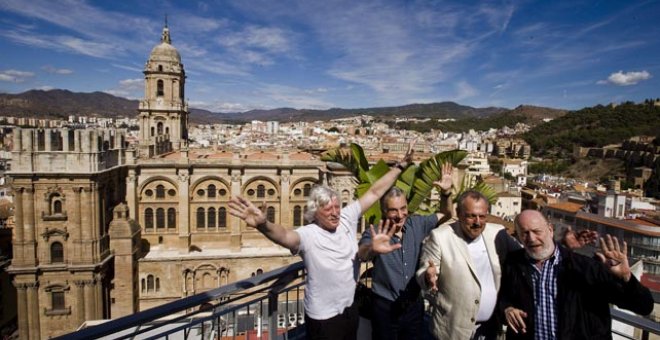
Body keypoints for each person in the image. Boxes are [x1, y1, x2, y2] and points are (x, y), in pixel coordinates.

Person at [228, 146, 414, 340]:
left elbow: (375, 192)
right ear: (314, 213)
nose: (334, 212)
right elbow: (284, 236)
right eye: (327, 209)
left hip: (349, 308)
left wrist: (401, 166)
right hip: (323, 318)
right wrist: (263, 225)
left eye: (336, 206)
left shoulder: (347, 217)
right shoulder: (308, 236)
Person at [498, 209, 654, 340]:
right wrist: (507, 309)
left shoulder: (586, 267)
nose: (531, 239)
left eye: (536, 231)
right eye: (524, 233)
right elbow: (503, 298)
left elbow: (644, 306)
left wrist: (626, 277)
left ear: (550, 230)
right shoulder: (514, 263)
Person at [357, 163, 454, 340]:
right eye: (393, 210)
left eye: (403, 208)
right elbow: (362, 254)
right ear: (384, 211)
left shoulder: (417, 224)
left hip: (413, 307)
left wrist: (446, 193)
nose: (400, 215)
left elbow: (445, 214)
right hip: (385, 308)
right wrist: (372, 247)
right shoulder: (376, 233)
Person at [416, 190, 522, 340]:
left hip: (489, 330)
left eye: (482, 216)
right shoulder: (440, 236)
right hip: (451, 331)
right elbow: (425, 271)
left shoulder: (498, 234)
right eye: (471, 216)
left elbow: (524, 258)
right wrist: (428, 276)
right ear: (459, 213)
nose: (477, 222)